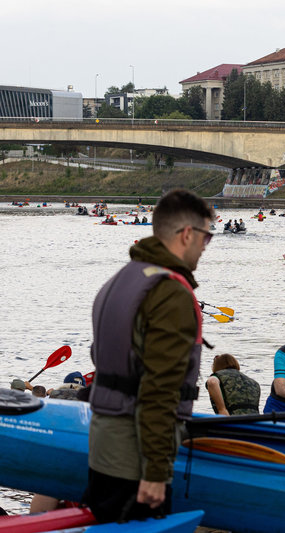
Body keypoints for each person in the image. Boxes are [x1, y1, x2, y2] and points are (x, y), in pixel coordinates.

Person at [83, 189, 213, 523]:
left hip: (103, 448)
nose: (204, 247)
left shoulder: (120, 280)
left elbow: (103, 358)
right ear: (187, 234)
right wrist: (155, 471)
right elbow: (159, 390)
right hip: (137, 461)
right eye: (206, 237)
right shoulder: (170, 293)